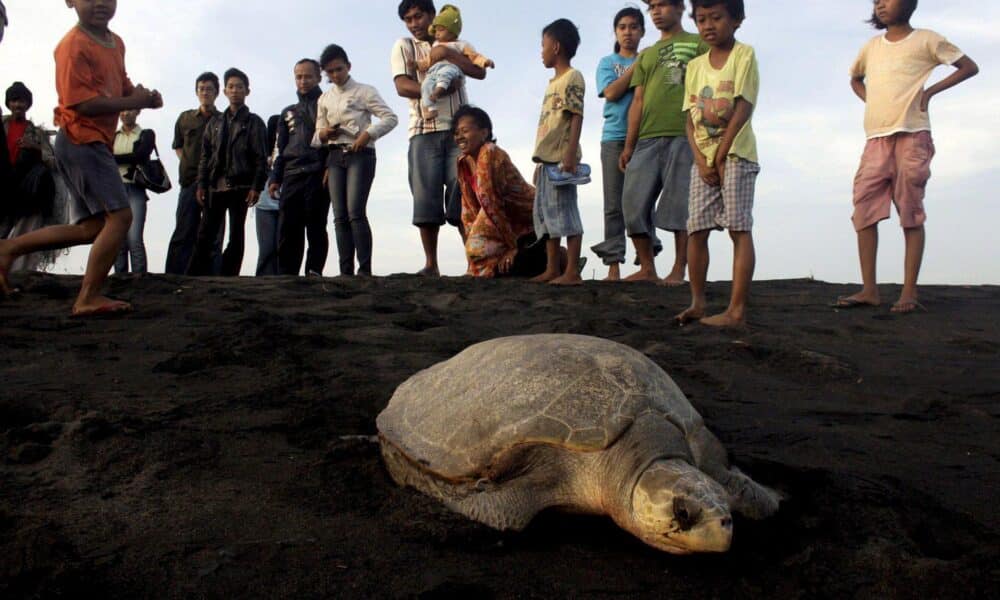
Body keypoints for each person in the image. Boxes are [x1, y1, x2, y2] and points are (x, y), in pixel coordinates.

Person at [0, 0, 163, 315]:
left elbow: (122, 83)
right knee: (121, 217)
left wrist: (143, 97)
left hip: (89, 141)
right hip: (82, 138)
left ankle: (9, 248)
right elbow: (82, 105)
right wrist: (131, 99)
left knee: (91, 227)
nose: (100, 3)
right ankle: (88, 297)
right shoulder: (72, 46)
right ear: (70, 1)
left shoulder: (116, 43)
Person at [834, 0, 978, 314]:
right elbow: (855, 78)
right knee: (864, 208)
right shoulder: (872, 46)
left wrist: (929, 93)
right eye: (876, 1)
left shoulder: (927, 39)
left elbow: (968, 66)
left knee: (909, 208)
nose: (880, 4)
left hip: (913, 134)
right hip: (876, 138)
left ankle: (909, 292)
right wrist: (871, 101)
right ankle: (869, 289)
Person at [675, 0, 759, 328]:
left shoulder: (744, 55)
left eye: (716, 18)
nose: (708, 25)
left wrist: (721, 154)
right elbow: (689, 118)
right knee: (697, 228)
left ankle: (736, 310)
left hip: (736, 154)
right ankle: (697, 302)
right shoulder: (695, 66)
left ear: (736, 20)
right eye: (701, 19)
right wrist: (701, 158)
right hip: (704, 160)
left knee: (738, 228)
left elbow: (743, 107)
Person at [391, 0, 486, 276]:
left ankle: (475, 262)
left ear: (433, 16)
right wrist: (435, 88)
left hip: (460, 131)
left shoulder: (455, 43)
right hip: (423, 129)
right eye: (408, 19)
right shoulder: (404, 46)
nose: (414, 23)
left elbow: (479, 71)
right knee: (425, 198)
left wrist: (447, 53)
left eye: (418, 16)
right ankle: (431, 263)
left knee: (466, 194)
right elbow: (401, 85)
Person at [618, 0, 708, 284]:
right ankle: (647, 268)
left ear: (681, 8)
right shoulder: (646, 55)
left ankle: (679, 269)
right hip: (646, 137)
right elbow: (638, 101)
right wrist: (629, 145)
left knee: (680, 204)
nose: (656, 11)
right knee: (632, 205)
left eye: (663, 5)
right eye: (652, 6)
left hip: (684, 134)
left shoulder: (698, 43)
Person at [314, 44, 398, 277]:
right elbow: (317, 134)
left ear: (348, 66)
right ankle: (345, 271)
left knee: (355, 212)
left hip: (360, 154)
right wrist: (324, 133)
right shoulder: (324, 98)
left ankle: (365, 270)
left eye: (338, 69)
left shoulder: (365, 91)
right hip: (334, 154)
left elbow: (390, 118)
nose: (334, 75)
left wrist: (368, 134)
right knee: (339, 215)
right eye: (329, 72)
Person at [187, 68, 268, 277]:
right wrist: (202, 184)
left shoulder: (254, 122)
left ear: (247, 91)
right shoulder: (215, 122)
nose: (235, 91)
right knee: (205, 233)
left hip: (241, 185)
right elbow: (206, 156)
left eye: (239, 87)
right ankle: (196, 276)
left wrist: (256, 186)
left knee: (236, 233)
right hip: (216, 184)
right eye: (231, 87)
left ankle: (228, 276)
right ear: (224, 91)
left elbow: (261, 157)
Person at [453, 105, 548, 278]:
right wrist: (471, 262)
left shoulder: (489, 153)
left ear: (484, 133)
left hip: (531, 217)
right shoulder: (463, 162)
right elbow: (468, 211)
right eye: (456, 132)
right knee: (480, 251)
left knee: (492, 254)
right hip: (506, 219)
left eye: (465, 131)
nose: (459, 136)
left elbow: (491, 202)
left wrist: (512, 247)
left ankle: (558, 258)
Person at [590, 7, 646, 281]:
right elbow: (610, 93)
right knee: (613, 204)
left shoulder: (650, 61)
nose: (628, 32)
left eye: (634, 27)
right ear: (616, 32)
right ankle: (613, 265)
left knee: (641, 201)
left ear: (642, 32)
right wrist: (637, 66)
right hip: (613, 138)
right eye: (622, 27)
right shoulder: (607, 63)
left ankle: (646, 262)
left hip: (645, 137)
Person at [531, 19, 586, 286]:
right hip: (547, 160)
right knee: (547, 215)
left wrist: (570, 154)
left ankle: (572, 271)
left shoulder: (572, 77)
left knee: (566, 214)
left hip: (562, 159)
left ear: (556, 46)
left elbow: (576, 116)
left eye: (543, 45)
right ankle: (553, 268)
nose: (541, 51)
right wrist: (539, 162)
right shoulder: (552, 82)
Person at [269, 59, 328, 277]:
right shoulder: (287, 112)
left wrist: (329, 167)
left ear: (318, 77)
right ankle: (287, 274)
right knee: (288, 228)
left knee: (316, 225)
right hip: (291, 173)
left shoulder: (328, 103)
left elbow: (334, 141)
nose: (303, 81)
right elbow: (280, 148)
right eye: (299, 76)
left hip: (317, 172)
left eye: (308, 76)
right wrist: (275, 178)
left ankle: (314, 271)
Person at [1, 82, 66, 273]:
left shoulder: (37, 133)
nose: (17, 105)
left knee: (25, 233)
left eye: (21, 101)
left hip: (23, 193)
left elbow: (53, 162)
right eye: (14, 101)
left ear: (28, 104)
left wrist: (35, 148)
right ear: (8, 103)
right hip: (2, 188)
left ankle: (19, 273)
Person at [165, 72, 221, 275]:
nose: (205, 93)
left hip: (215, 185)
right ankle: (173, 276)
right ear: (197, 92)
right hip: (189, 182)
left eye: (209, 89)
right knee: (183, 231)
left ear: (217, 93)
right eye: (202, 89)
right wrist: (189, 164)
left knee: (213, 235)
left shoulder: (223, 120)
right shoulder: (185, 118)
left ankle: (212, 278)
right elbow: (178, 146)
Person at [417, 4, 495, 120]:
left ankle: (439, 90)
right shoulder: (436, 45)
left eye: (441, 30)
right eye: (436, 30)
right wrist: (418, 65)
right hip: (435, 70)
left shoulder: (461, 45)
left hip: (452, 69)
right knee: (426, 83)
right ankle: (432, 109)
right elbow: (429, 60)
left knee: (446, 73)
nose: (437, 33)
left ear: (452, 31)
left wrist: (485, 62)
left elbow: (475, 57)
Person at [111, 108, 153, 274]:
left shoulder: (146, 134)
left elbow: (141, 156)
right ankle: (120, 278)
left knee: (134, 238)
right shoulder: (113, 136)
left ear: (137, 112)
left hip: (135, 188)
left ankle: (140, 279)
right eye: (122, 111)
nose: (125, 114)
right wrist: (129, 157)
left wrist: (114, 159)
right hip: (115, 189)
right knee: (118, 239)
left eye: (129, 110)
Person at [256, 115, 281, 276]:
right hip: (264, 204)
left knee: (282, 247)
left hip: (286, 203)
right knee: (266, 249)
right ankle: (262, 281)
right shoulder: (262, 151)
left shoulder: (293, 148)